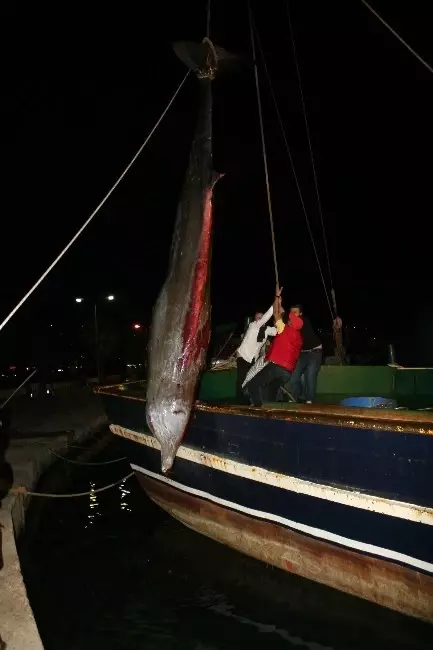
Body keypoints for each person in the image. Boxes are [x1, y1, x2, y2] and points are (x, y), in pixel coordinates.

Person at [244, 287, 303, 406]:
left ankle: (257, 408)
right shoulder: (299, 338)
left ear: (291, 323)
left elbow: (276, 314)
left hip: (276, 367)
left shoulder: (284, 329)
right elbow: (281, 313)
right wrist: (280, 303)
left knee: (253, 384)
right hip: (287, 373)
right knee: (270, 391)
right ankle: (269, 411)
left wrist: (276, 297)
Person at [235, 304, 277, 400]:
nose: (260, 319)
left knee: (250, 379)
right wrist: (274, 304)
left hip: (253, 358)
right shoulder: (253, 325)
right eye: (258, 318)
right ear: (255, 319)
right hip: (243, 355)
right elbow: (266, 317)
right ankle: (239, 401)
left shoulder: (266, 330)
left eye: (261, 317)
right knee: (241, 379)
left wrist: (278, 322)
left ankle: (249, 400)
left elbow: (276, 331)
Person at [289, 305, 322, 404]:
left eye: (295, 312)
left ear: (300, 314)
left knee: (310, 377)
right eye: (291, 312)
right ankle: (294, 398)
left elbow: (297, 325)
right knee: (294, 376)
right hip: (302, 353)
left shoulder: (303, 320)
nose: (293, 314)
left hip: (314, 352)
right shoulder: (290, 325)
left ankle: (309, 400)